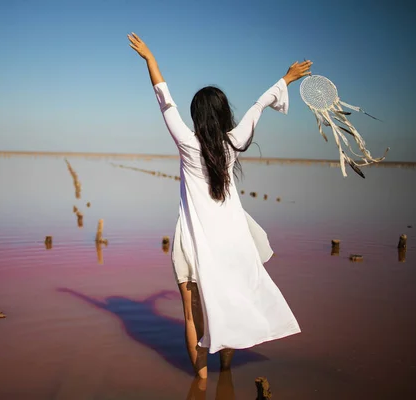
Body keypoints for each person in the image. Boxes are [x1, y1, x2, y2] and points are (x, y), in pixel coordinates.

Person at [128, 32, 312, 379]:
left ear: (198, 116)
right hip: (230, 242)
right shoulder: (234, 142)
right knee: (225, 305)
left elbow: (166, 102)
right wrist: (286, 78)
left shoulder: (186, 142)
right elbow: (259, 106)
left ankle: (199, 383)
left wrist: (150, 58)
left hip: (193, 242)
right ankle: (224, 373)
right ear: (224, 112)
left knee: (190, 313)